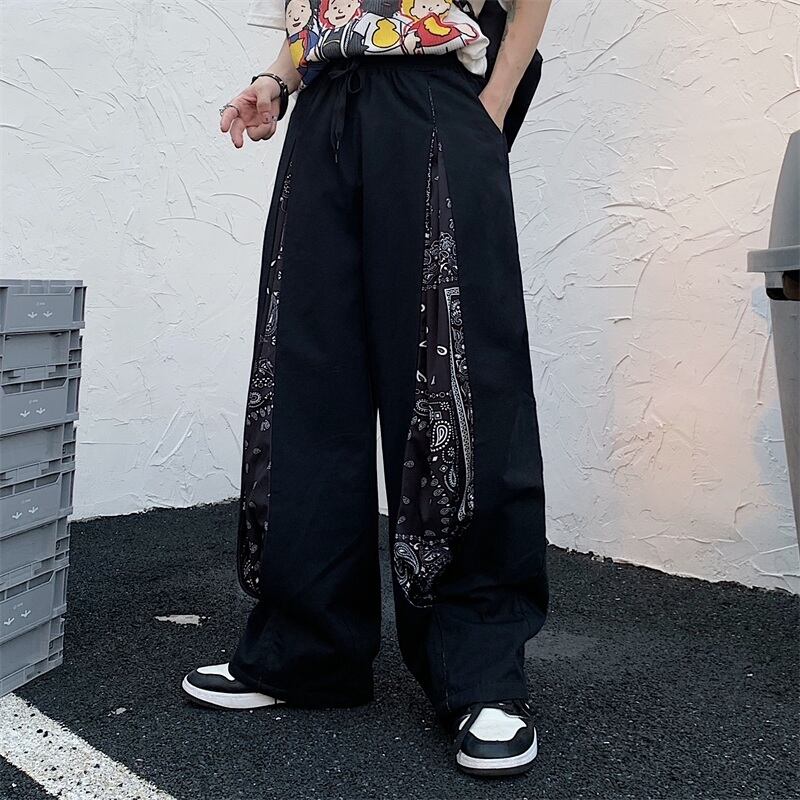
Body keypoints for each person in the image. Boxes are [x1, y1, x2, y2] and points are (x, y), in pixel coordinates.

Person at [182, 0, 553, 778]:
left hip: (435, 98)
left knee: (457, 379)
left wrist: (491, 106)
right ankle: (307, 650)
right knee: (307, 380)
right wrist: (274, 82)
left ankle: (480, 669)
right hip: (324, 111)